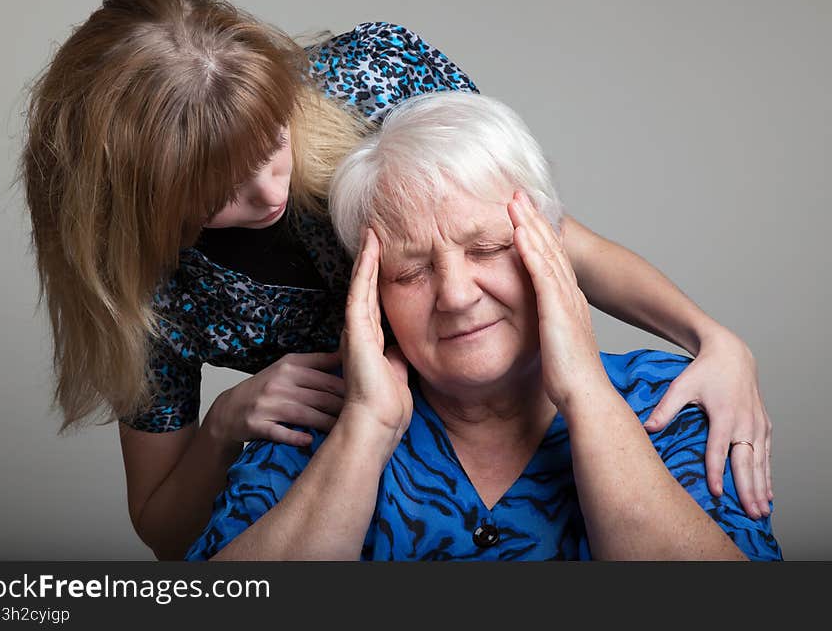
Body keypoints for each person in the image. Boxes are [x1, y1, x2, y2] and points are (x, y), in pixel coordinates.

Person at [22, 0, 772, 560]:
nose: (267, 191)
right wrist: (224, 425)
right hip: (355, 431)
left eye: (269, 146)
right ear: (139, 201)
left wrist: (712, 338)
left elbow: (534, 230)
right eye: (217, 190)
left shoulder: (368, 79)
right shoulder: (148, 293)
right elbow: (166, 532)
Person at [186, 92, 781, 561]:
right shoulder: (311, 426)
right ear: (369, 299)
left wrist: (586, 395)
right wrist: (365, 432)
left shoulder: (672, 403)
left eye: (490, 247)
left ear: (550, 249)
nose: (456, 295)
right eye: (410, 270)